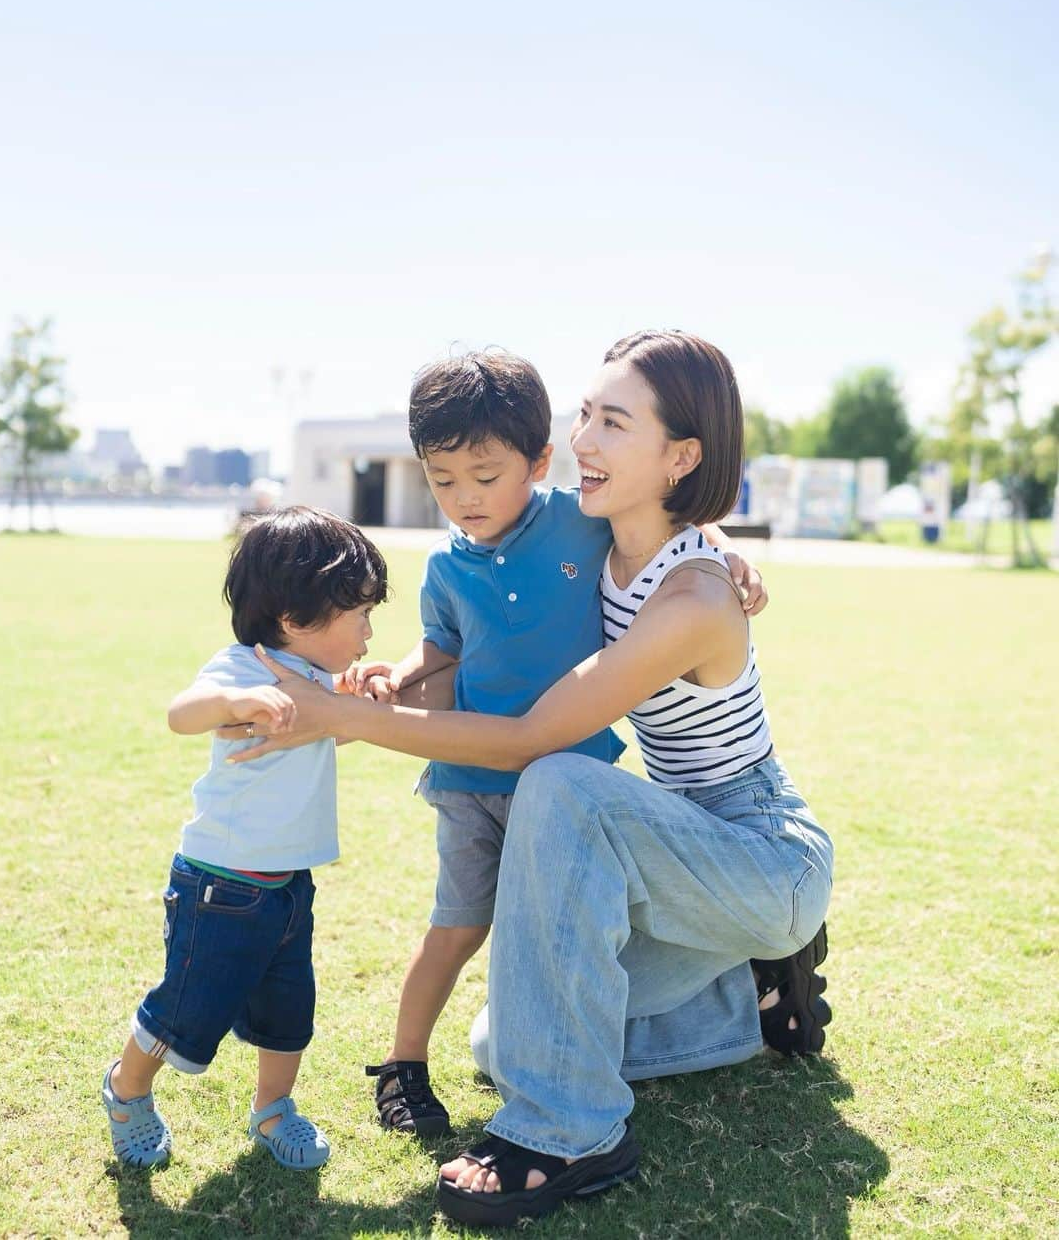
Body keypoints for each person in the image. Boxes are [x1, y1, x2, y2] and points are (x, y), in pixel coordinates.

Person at [226, 330, 832, 1228]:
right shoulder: (597, 539)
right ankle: (754, 996)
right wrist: (360, 695)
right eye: (586, 414)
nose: (584, 439)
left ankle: (571, 1134)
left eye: (614, 422)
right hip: (664, 850)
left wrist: (348, 718)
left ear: (679, 455)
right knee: (503, 1044)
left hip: (755, 853)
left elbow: (532, 736)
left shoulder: (694, 597)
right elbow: (479, 632)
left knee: (557, 776)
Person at [344, 350, 765, 1139]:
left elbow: (672, 520)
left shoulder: (582, 518)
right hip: (473, 784)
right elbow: (441, 648)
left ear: (537, 463)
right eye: (442, 481)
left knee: (577, 934)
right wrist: (389, 681)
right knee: (463, 930)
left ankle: (733, 997)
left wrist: (727, 549)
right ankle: (403, 1063)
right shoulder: (444, 569)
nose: (465, 499)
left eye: (485, 475)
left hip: (575, 781)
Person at [101, 507, 388, 1170]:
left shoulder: (318, 680)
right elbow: (182, 712)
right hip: (219, 888)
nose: (371, 633)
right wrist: (237, 704)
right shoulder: (245, 667)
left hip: (289, 886)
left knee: (290, 1012)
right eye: (361, 615)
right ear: (295, 616)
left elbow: (337, 730)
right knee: (184, 1010)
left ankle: (273, 1109)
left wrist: (362, 699)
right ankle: (127, 1088)